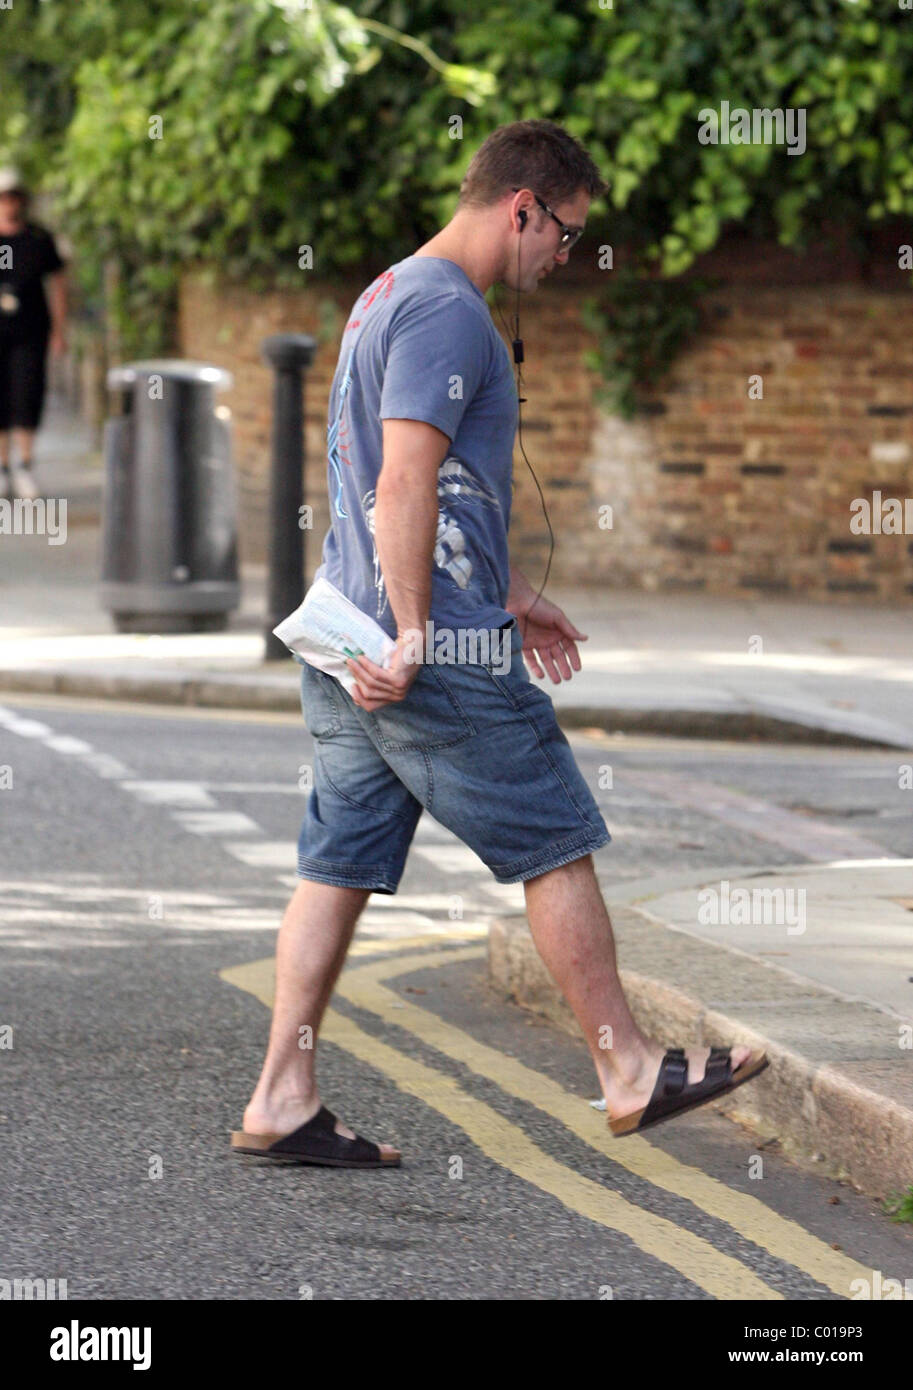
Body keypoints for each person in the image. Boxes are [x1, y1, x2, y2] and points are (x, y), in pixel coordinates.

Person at [232, 120, 767, 1169]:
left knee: (337, 863)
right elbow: (401, 481)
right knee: (554, 834)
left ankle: (280, 1095)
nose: (562, 260)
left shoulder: (387, 291)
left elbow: (425, 493)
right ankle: (624, 1066)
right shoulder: (446, 313)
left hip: (347, 636)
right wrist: (425, 628)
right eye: (564, 235)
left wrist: (513, 590)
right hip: (424, 652)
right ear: (521, 206)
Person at [0, 167, 68, 502]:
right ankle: (2, 470)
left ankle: (25, 465)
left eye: (13, 197)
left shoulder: (38, 239)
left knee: (26, 394)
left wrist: (59, 328)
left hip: (30, 330)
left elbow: (57, 283)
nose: (8, 204)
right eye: (2, 198)